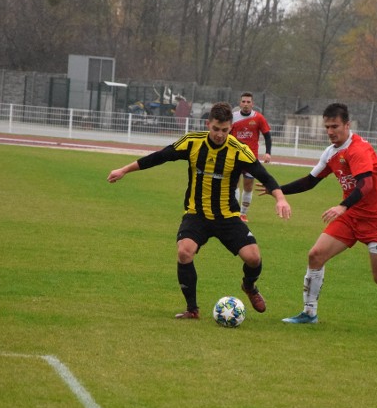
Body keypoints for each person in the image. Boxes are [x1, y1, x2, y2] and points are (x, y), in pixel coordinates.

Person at [107, 102, 291, 319]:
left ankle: (249, 286)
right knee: (184, 251)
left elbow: (265, 176)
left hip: (227, 216)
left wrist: (280, 199)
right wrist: (124, 170)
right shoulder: (192, 142)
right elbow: (159, 156)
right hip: (197, 213)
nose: (220, 135)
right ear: (208, 124)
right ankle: (192, 309)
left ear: (231, 127)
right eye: (215, 129)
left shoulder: (239, 151)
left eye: (224, 130)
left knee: (253, 258)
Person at [265, 103, 377, 324]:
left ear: (347, 125)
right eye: (327, 127)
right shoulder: (331, 152)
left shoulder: (357, 149)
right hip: (351, 216)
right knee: (316, 255)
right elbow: (310, 181)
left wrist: (342, 206)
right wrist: (277, 189)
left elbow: (366, 185)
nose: (330, 132)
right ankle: (309, 313)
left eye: (335, 126)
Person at [230, 92, 272, 222]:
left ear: (252, 104)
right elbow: (227, 134)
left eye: (248, 102)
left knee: (248, 185)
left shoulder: (258, 118)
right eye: (243, 101)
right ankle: (235, 212)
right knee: (234, 184)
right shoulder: (233, 117)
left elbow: (267, 135)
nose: (246, 104)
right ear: (240, 103)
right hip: (235, 156)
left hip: (250, 157)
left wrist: (268, 152)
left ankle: (243, 213)